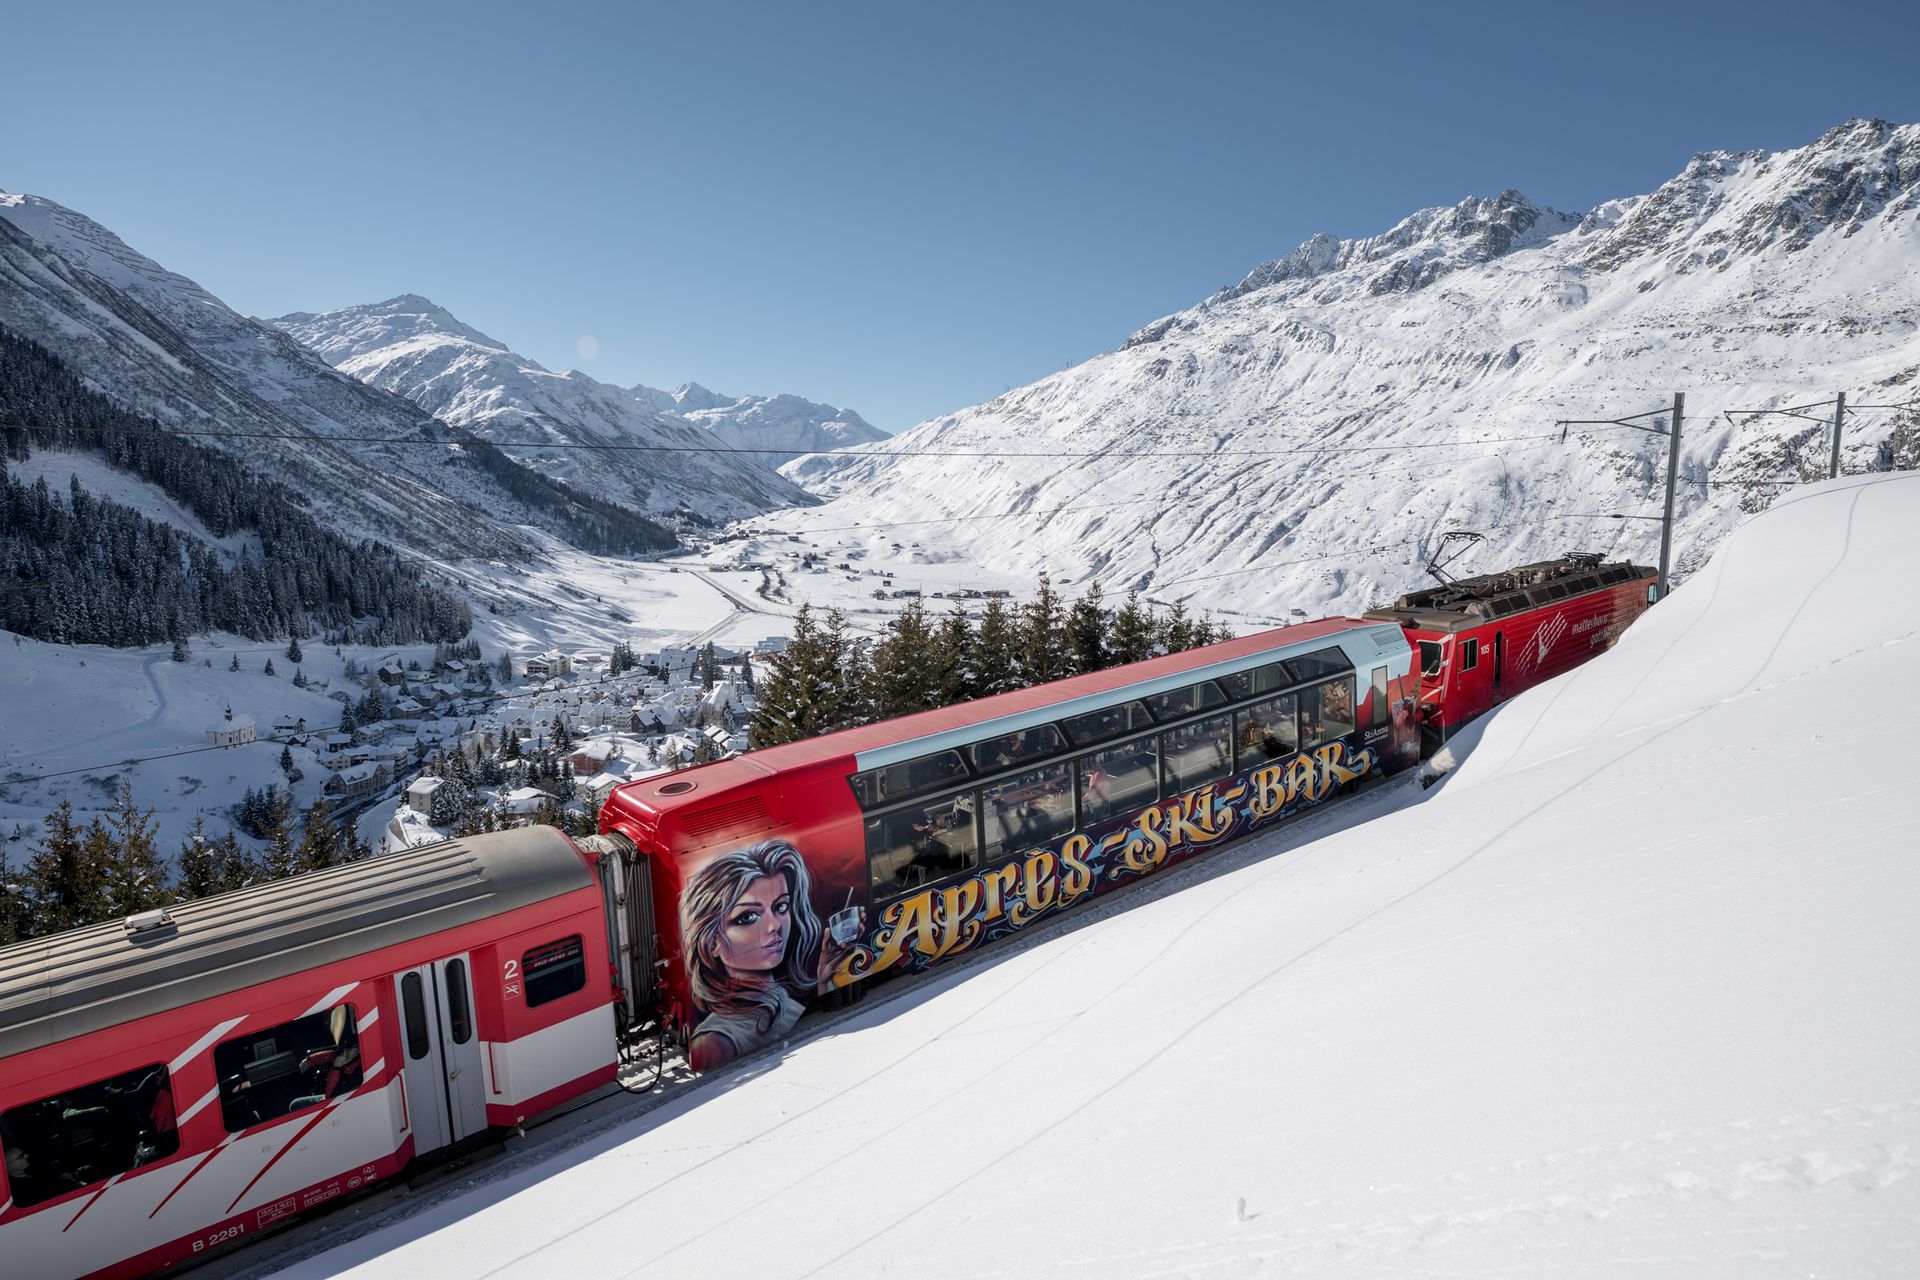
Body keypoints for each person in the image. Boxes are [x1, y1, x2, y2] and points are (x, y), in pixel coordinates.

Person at [679, 840, 858, 1072]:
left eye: (781, 907)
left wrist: (824, 983)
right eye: (748, 917)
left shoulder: (784, 1001)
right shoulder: (716, 1041)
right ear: (711, 941)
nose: (775, 925)